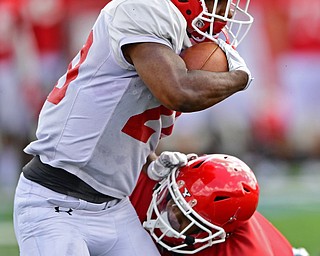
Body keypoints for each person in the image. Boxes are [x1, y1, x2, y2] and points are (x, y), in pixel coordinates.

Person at [13, 0, 253, 255]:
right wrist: (240, 78)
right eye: (222, 2)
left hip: (114, 208)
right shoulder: (141, 8)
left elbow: (121, 110)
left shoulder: (179, 35)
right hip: (55, 201)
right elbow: (178, 92)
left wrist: (148, 161)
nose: (227, 12)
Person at [131, 153, 310, 256]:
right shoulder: (150, 182)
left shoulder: (243, 252)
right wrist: (150, 161)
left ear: (219, 234)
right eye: (171, 201)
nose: (169, 216)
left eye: (187, 219)